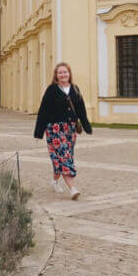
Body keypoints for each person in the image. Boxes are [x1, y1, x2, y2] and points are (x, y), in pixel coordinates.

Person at [33, 62, 92, 199]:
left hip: (70, 129)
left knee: (63, 157)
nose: (63, 75)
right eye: (60, 72)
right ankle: (73, 189)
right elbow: (43, 111)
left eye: (65, 72)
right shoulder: (52, 90)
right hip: (54, 129)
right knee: (65, 157)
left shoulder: (75, 89)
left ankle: (54, 181)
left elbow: (81, 110)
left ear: (69, 74)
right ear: (56, 75)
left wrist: (86, 126)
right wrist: (38, 132)